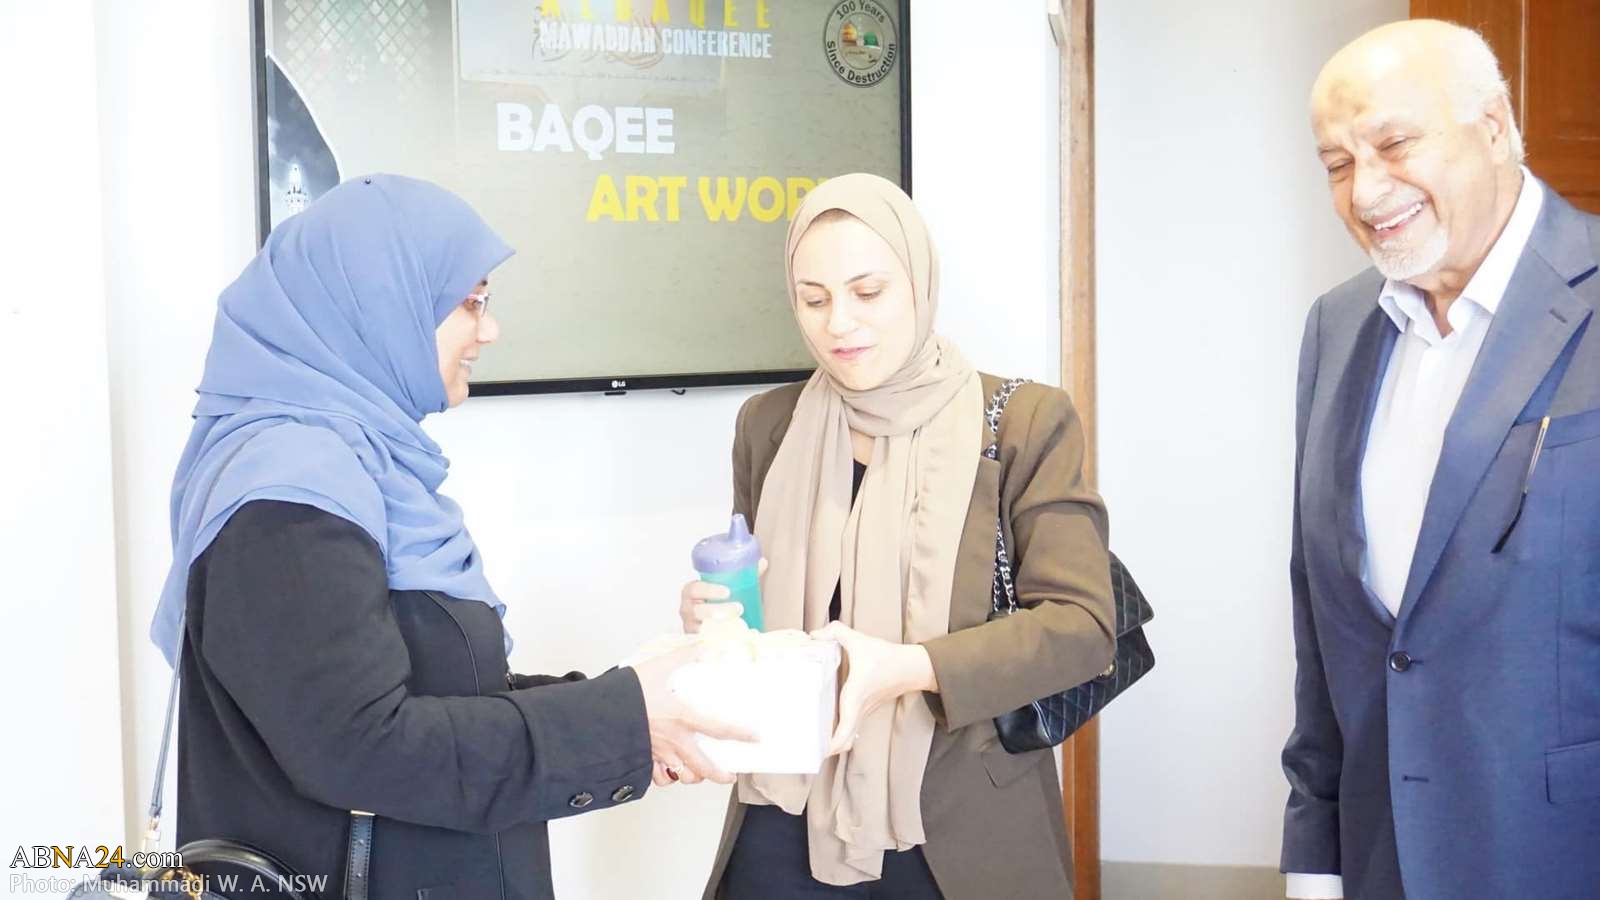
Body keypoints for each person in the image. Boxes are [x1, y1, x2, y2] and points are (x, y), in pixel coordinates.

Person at [150, 174, 745, 900]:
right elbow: (362, 748)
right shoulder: (288, 493)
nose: (489, 330)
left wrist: (634, 712)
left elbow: (435, 692)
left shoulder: (360, 468)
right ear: (379, 303)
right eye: (469, 302)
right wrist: (623, 719)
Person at [677, 173, 1117, 900]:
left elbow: (1082, 629)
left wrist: (909, 668)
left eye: (868, 292)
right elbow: (762, 608)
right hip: (785, 806)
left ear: (918, 283)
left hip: (955, 822)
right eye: (814, 299)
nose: (838, 324)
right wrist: (719, 620)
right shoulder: (770, 425)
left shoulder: (1021, 422)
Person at [1282, 20, 1600, 900]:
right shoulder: (1336, 326)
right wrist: (1314, 862)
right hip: (1382, 858)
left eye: (1394, 144)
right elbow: (1325, 622)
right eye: (1338, 164)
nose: (1366, 190)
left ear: (1493, 127)